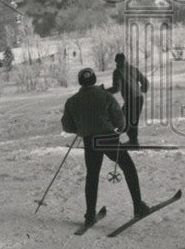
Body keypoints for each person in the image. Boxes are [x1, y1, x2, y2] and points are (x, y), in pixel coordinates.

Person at [63, 68, 151, 226]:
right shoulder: (105, 96)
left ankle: (90, 215)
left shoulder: (72, 101)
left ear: (80, 82)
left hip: (90, 142)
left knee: (92, 176)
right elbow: (121, 121)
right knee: (128, 166)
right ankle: (138, 206)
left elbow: (67, 126)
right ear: (94, 80)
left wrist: (82, 128)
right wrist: (117, 127)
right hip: (108, 138)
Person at [106, 52, 148, 147]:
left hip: (131, 100)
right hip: (139, 99)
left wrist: (104, 92)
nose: (118, 63)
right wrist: (143, 89)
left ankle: (114, 140)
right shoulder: (133, 69)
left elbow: (116, 88)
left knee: (122, 119)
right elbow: (145, 81)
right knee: (130, 120)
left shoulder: (118, 72)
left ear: (117, 61)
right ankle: (133, 141)